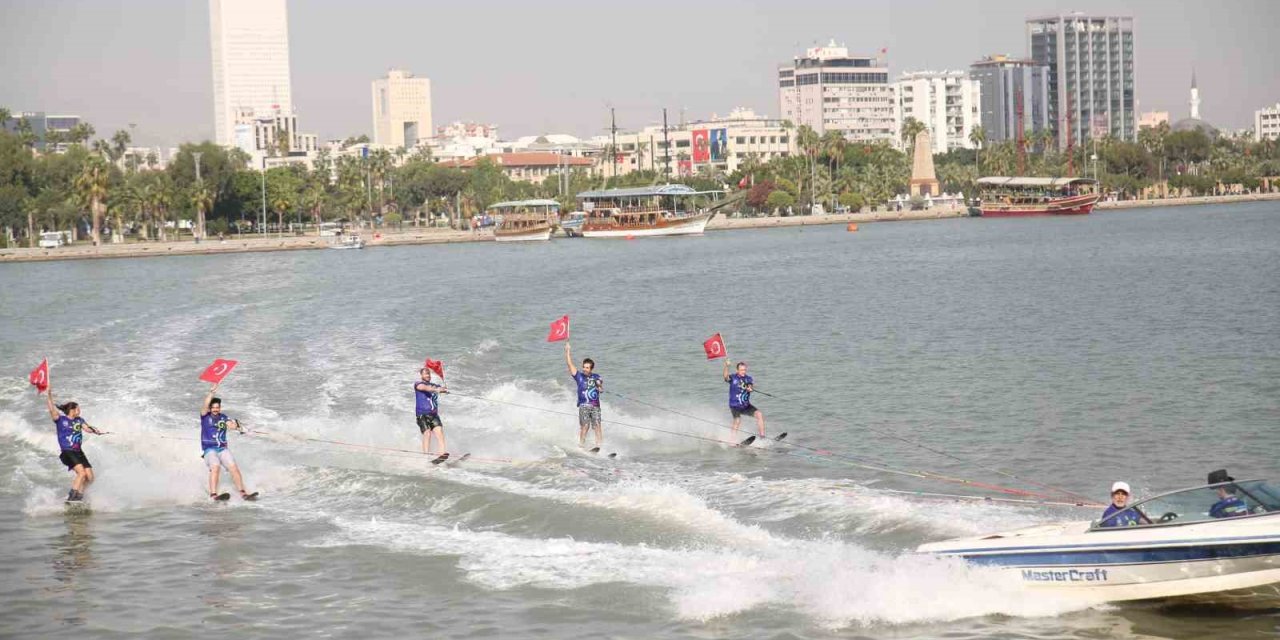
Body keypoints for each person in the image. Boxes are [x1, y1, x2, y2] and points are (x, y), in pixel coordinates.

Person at [43, 379, 104, 502]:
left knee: (90, 477)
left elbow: (87, 428)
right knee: (81, 473)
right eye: (78, 409)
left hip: (78, 452)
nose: (79, 411)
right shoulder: (60, 420)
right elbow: (51, 409)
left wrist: (95, 430)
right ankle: (72, 497)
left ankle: (79, 495)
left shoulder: (79, 420)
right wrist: (48, 394)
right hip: (67, 451)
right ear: (72, 410)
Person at [201, 383, 255, 500]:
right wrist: (212, 392)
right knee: (215, 467)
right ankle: (213, 495)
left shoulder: (223, 417)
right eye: (213, 407)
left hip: (222, 449)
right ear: (210, 408)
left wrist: (238, 427)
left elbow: (230, 424)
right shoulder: (205, 416)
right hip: (210, 450)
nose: (216, 409)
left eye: (217, 407)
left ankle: (243, 493)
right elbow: (205, 405)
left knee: (233, 467)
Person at [565, 342, 602, 448]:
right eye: (584, 367)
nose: (585, 369)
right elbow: (570, 364)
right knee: (585, 426)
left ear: (591, 369)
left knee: (597, 426)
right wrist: (567, 351)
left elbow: (600, 385)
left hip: (595, 405)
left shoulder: (596, 376)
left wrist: (599, 386)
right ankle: (581, 446)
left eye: (587, 368)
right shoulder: (579, 376)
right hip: (584, 405)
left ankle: (599, 446)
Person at [723, 359, 765, 437]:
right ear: (737, 370)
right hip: (735, 405)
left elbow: (750, 384)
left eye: (744, 370)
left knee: (759, 414)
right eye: (741, 370)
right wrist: (726, 366)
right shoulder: (733, 378)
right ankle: (732, 440)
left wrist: (750, 388)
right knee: (737, 420)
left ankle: (762, 437)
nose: (743, 372)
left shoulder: (748, 378)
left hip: (745, 405)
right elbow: (725, 377)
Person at [414, 367, 448, 458]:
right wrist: (436, 390)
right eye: (425, 374)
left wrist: (443, 389)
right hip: (422, 414)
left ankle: (442, 455)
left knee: (440, 432)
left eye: (428, 374)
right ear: (421, 375)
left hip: (433, 414)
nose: (428, 375)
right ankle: (426, 457)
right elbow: (425, 388)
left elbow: (441, 389)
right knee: (427, 433)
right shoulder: (418, 384)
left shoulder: (434, 385)